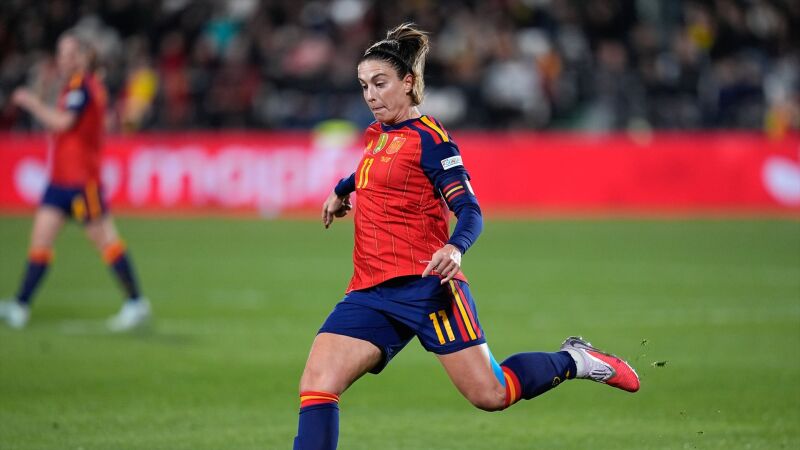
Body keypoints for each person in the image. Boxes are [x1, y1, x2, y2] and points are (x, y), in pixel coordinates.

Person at [293, 23, 640, 450]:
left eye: (380, 83)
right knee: (318, 382)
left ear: (408, 83)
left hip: (426, 287)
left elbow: (470, 211)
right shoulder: (378, 135)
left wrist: (456, 248)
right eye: (364, 85)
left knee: (491, 394)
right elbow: (372, 169)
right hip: (370, 290)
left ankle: (575, 360)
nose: (370, 95)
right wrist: (342, 189)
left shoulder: (433, 141)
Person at [0, 31, 151, 331]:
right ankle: (20, 305)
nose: (63, 59)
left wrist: (30, 102)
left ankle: (136, 303)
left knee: (106, 242)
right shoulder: (75, 86)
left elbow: (62, 123)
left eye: (69, 54)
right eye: (60, 53)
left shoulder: (83, 86)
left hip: (82, 183)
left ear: (82, 57)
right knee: (40, 241)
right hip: (59, 180)